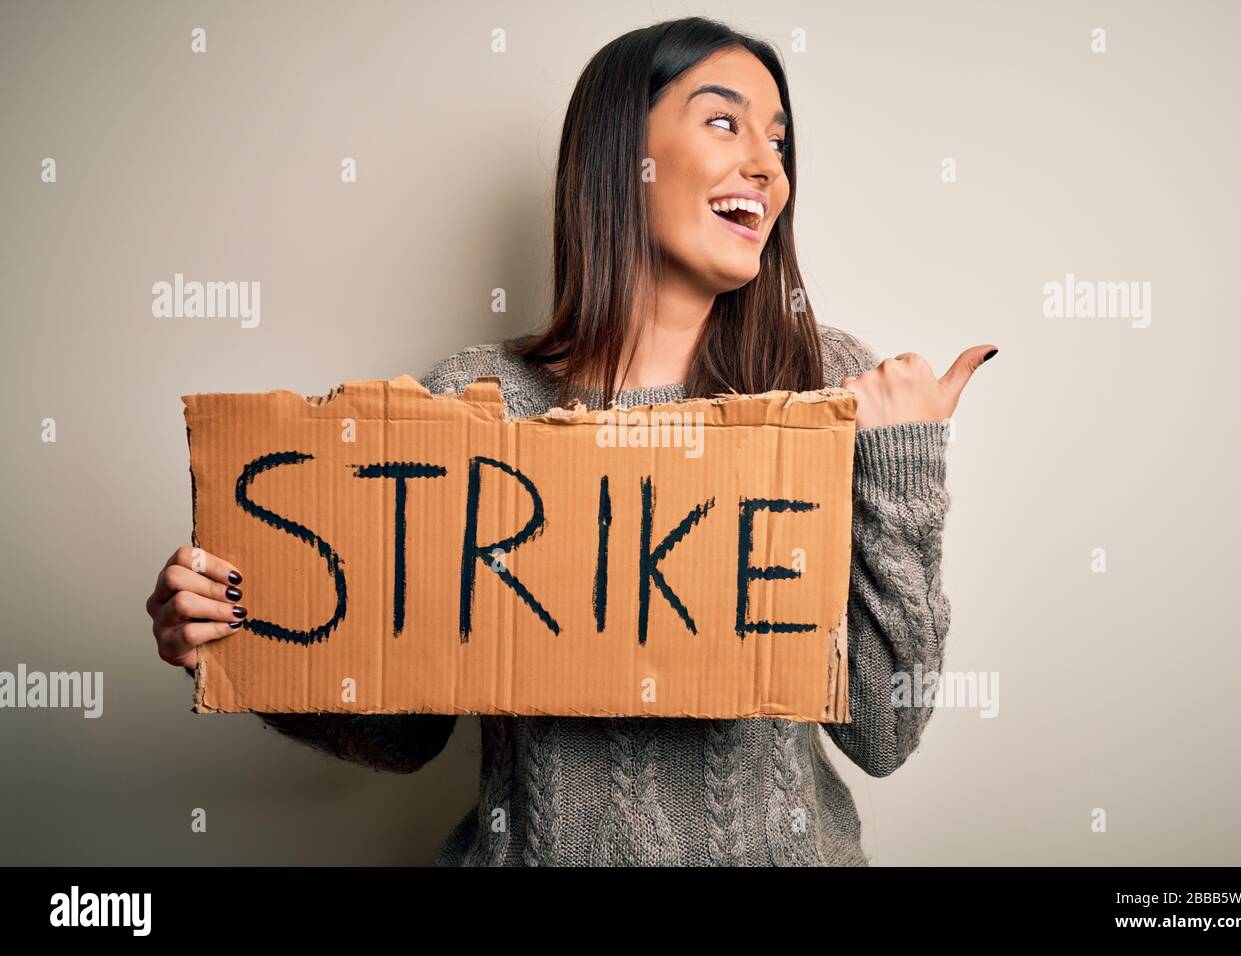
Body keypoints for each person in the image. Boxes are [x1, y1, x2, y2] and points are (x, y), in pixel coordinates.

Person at [145, 16, 995, 866]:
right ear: (623, 154)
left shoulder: (827, 382)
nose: (768, 165)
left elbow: (886, 734)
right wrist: (250, 632)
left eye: (780, 139)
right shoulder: (477, 400)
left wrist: (903, 463)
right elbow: (406, 735)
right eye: (725, 121)